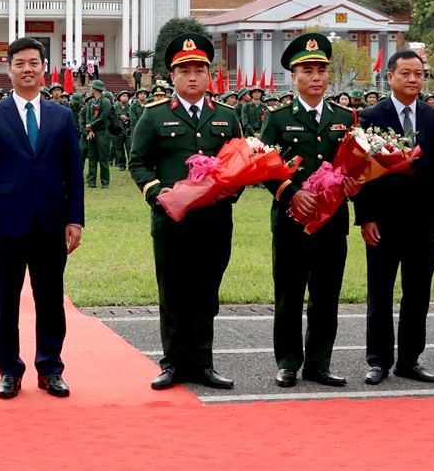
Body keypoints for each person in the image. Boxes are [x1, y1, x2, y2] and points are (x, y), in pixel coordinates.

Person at [0, 36, 83, 399]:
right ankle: (8, 369)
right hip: (5, 224)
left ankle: (50, 367)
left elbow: (73, 173)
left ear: (44, 67)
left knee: (50, 298)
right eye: (20, 63)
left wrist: (74, 219)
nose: (27, 69)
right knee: (4, 300)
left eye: (34, 62)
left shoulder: (62, 116)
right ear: (8, 69)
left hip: (50, 223)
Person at [130, 35, 242, 390]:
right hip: (172, 220)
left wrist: (233, 186)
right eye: (184, 71)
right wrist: (156, 192)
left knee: (206, 292)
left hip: (213, 220)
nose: (192, 77)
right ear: (172, 76)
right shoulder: (154, 115)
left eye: (199, 70)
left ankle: (203, 363)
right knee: (173, 292)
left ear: (210, 76)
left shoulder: (226, 116)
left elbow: (241, 160)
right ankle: (173, 364)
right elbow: (139, 161)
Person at [260, 33, 357, 388]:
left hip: (332, 221)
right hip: (291, 221)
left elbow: (354, 165)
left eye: (321, 70)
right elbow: (264, 167)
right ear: (294, 76)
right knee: (289, 292)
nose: (316, 77)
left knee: (326, 295)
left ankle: (319, 362)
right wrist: (290, 192)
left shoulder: (345, 117)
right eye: (307, 70)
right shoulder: (277, 117)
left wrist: (354, 184)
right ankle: (287, 361)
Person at [354, 49, 434, 385]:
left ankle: (410, 359)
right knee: (380, 291)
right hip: (383, 219)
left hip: (423, 221)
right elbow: (361, 169)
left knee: (418, 292)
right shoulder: (371, 115)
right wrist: (365, 216)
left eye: (419, 74)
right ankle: (379, 360)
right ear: (390, 76)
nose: (413, 79)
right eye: (406, 73)